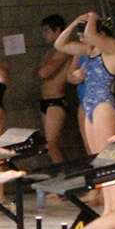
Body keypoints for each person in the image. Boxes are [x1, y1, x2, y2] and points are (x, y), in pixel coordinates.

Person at [57, 12, 115, 210]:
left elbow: (93, 35)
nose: (83, 36)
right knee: (98, 159)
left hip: (103, 105)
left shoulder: (113, 48)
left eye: (86, 31)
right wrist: (74, 22)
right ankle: (106, 204)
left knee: (109, 158)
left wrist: (92, 18)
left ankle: (114, 207)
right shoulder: (89, 52)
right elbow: (60, 45)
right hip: (88, 105)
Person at [38, 14, 75, 163]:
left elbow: (44, 72)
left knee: (51, 144)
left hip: (57, 101)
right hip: (46, 101)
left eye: (47, 31)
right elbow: (39, 73)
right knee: (55, 143)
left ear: (58, 30)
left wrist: (42, 69)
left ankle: (63, 175)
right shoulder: (49, 52)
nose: (44, 35)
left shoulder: (64, 50)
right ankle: (61, 172)